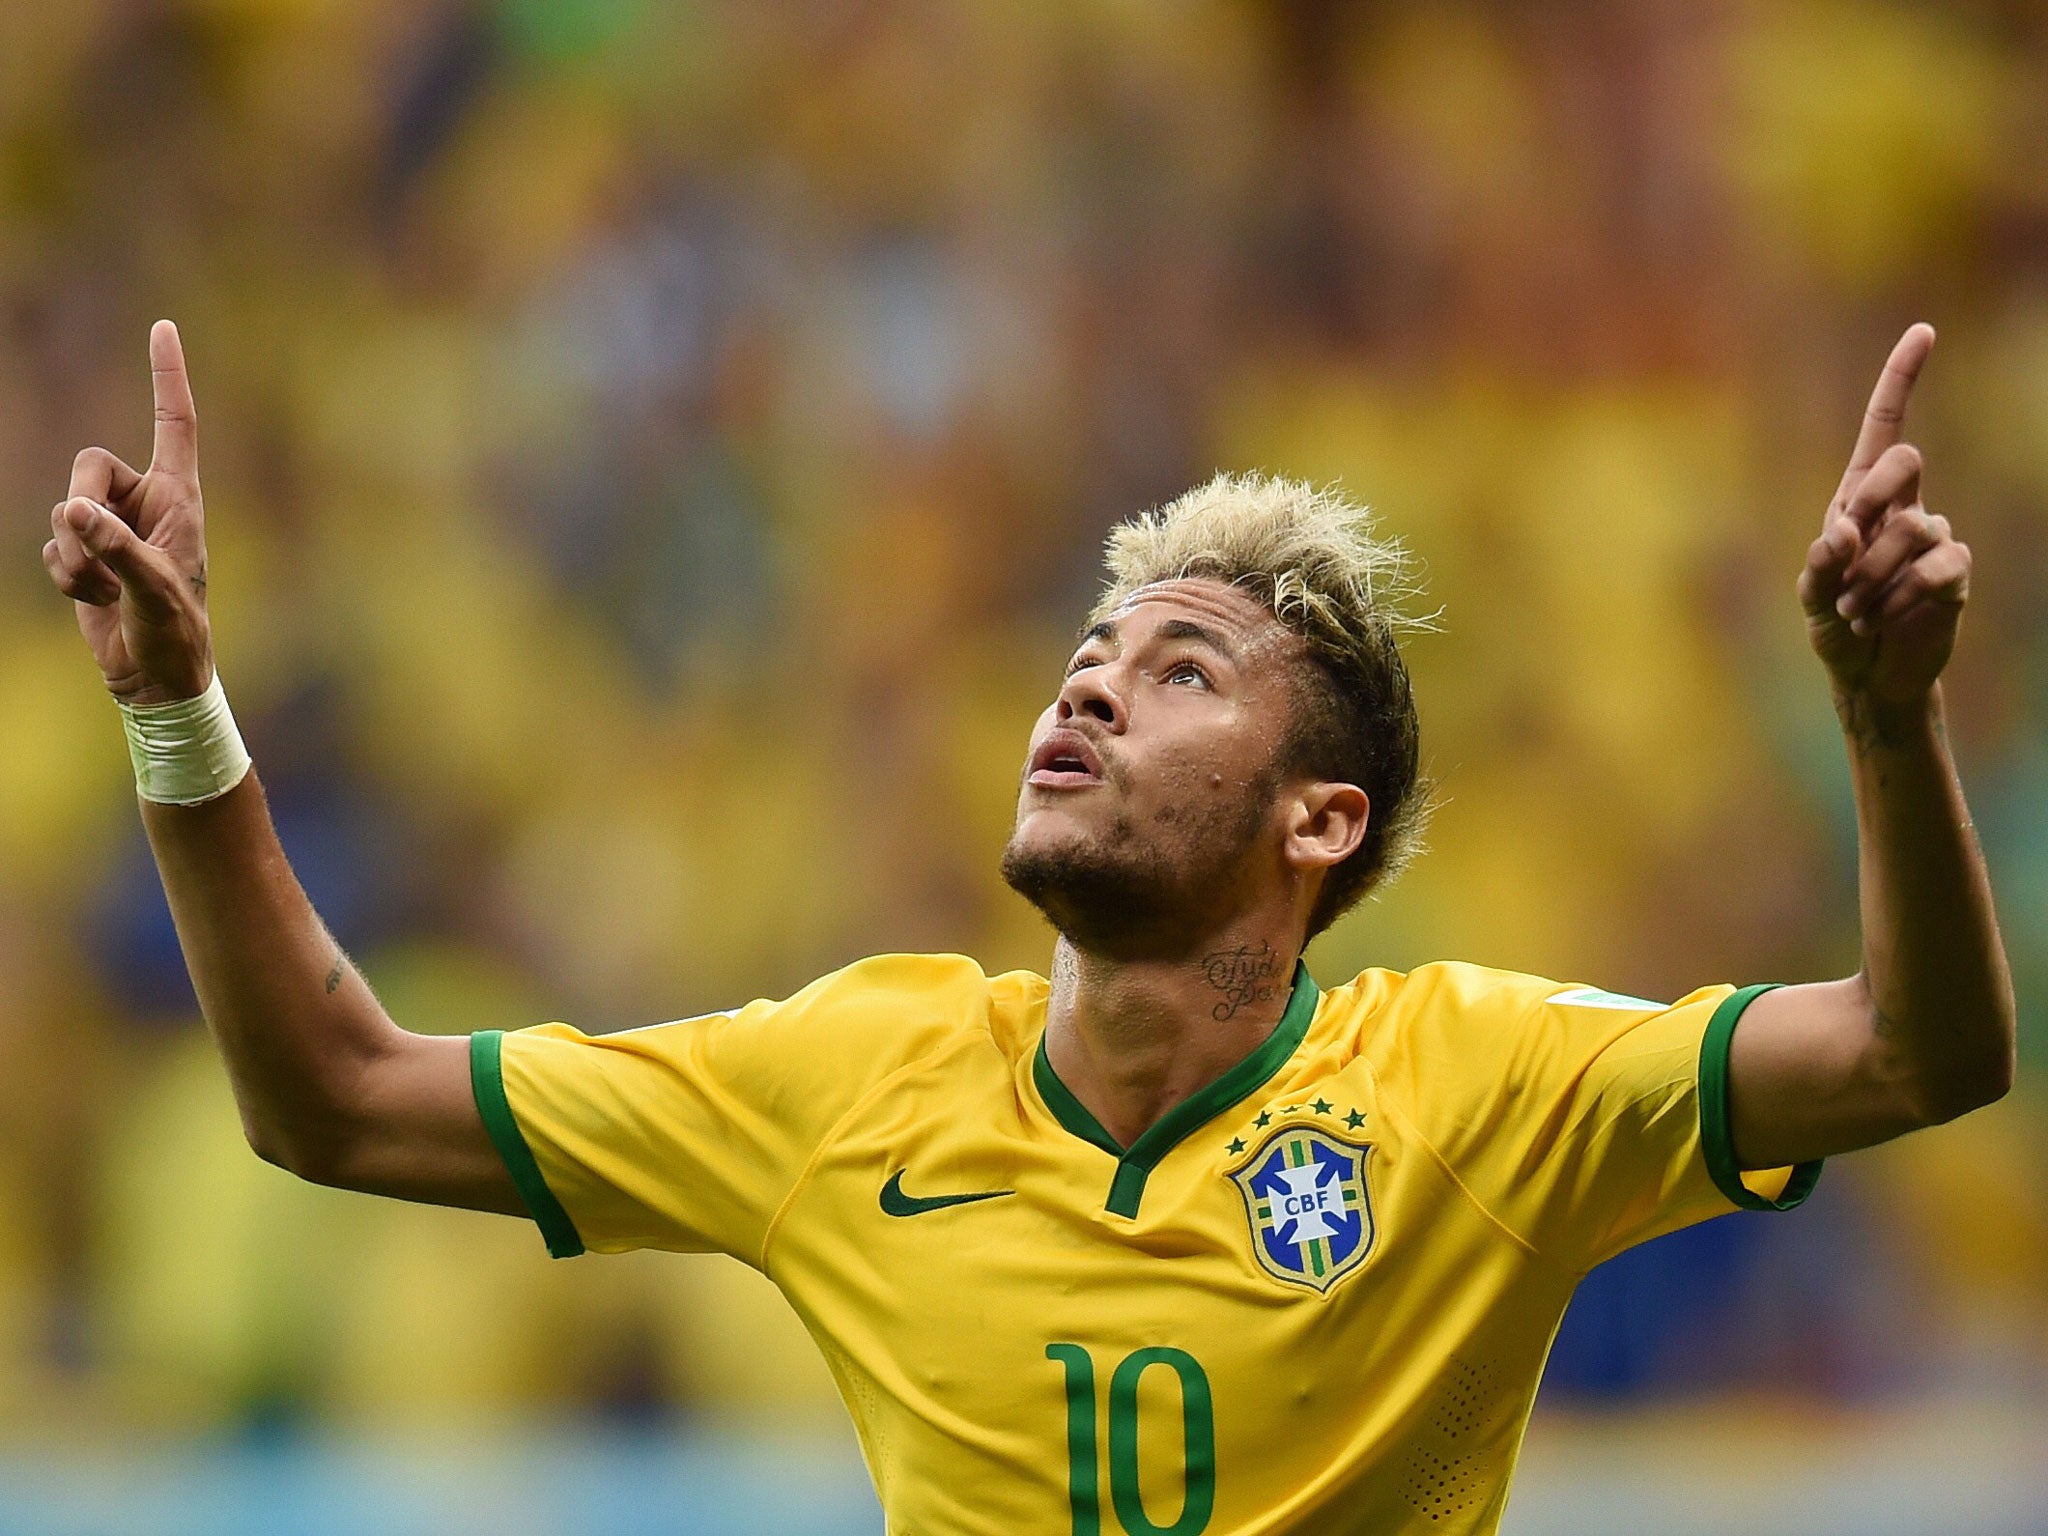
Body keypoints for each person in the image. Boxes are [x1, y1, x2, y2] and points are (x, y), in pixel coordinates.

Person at [43, 320, 2012, 1535]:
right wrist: (171, 705)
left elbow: (1926, 1053)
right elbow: (335, 1099)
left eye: (1177, 673)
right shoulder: (856, 1076)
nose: (1079, 692)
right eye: (1084, 656)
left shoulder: (1478, 1089)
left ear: (1317, 819)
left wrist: (1877, 716)